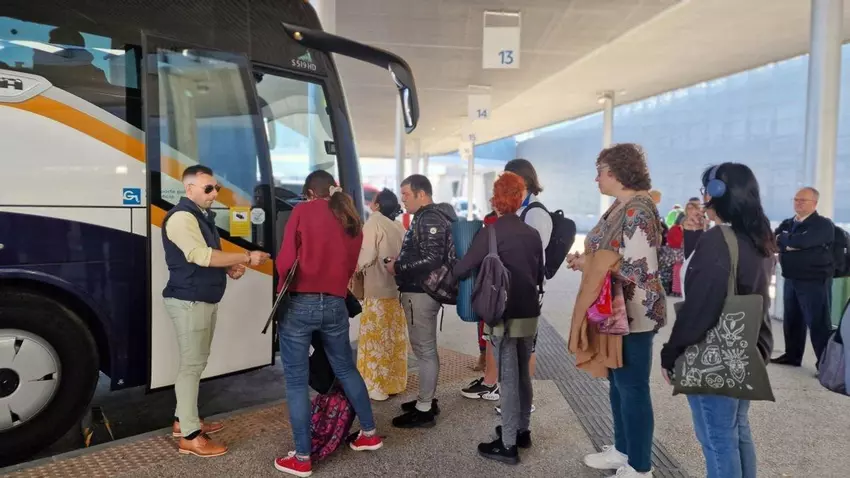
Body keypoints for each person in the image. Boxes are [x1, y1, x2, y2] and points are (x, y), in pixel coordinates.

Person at [660, 163, 775, 478]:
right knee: (737, 431)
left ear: (716, 193)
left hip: (714, 353)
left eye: (705, 190)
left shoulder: (719, 239)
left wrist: (671, 352)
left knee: (717, 439)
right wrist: (695, 236)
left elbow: (702, 305)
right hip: (746, 347)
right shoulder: (758, 236)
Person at [274, 170, 382, 476]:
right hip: (335, 303)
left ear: (310, 193)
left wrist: (281, 288)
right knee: (346, 368)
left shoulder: (303, 211)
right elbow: (350, 265)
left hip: (301, 303)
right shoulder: (350, 217)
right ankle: (370, 434)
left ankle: (302, 457)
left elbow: (285, 261)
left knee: (296, 380)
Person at [570, 143, 666, 478]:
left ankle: (640, 467)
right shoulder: (620, 206)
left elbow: (638, 268)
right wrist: (586, 262)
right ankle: (623, 450)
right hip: (614, 307)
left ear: (616, 173)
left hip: (634, 311)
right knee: (617, 380)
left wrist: (589, 265)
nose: (596, 178)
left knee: (632, 386)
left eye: (600, 172)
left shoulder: (638, 210)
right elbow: (608, 255)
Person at [161, 165, 270, 457]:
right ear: (189, 189)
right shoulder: (182, 217)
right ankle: (190, 436)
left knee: (196, 363)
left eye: (216, 188)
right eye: (208, 188)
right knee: (191, 366)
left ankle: (184, 420)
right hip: (190, 301)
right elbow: (199, 255)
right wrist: (246, 256)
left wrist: (229, 267)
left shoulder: (201, 216)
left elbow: (209, 257)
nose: (214, 194)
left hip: (200, 299)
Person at [453, 172, 544, 465]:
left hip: (502, 313)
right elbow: (540, 274)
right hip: (529, 312)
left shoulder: (490, 233)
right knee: (522, 374)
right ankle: (522, 431)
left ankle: (507, 445)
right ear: (520, 198)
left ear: (496, 199)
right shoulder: (532, 234)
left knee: (507, 377)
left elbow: (463, 268)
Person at [462, 159, 549, 416]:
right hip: (509, 292)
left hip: (519, 293)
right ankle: (498, 388)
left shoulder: (534, 214)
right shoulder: (521, 216)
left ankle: (520, 403)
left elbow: (534, 259)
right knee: (502, 343)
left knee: (522, 350)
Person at [385, 174, 457, 428]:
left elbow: (432, 258)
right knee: (425, 349)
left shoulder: (429, 217)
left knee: (424, 351)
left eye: (406, 194)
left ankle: (425, 409)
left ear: (422, 194)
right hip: (424, 291)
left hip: (421, 292)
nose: (402, 199)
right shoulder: (433, 216)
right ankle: (425, 400)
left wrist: (398, 267)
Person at [772, 187, 835, 370]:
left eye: (803, 200)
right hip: (791, 277)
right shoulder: (787, 223)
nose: (798, 203)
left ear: (814, 203)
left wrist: (788, 241)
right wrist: (791, 242)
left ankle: (825, 365)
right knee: (792, 319)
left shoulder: (823, 225)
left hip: (814, 280)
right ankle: (792, 355)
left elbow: (803, 242)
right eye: (796, 199)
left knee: (818, 323)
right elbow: (774, 242)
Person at [356, 188, 408, 401]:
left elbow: (366, 255)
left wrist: (353, 268)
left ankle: (375, 386)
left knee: (375, 339)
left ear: (377, 205)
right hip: (395, 291)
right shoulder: (398, 226)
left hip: (377, 290)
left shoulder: (374, 222)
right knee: (392, 339)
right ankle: (393, 383)